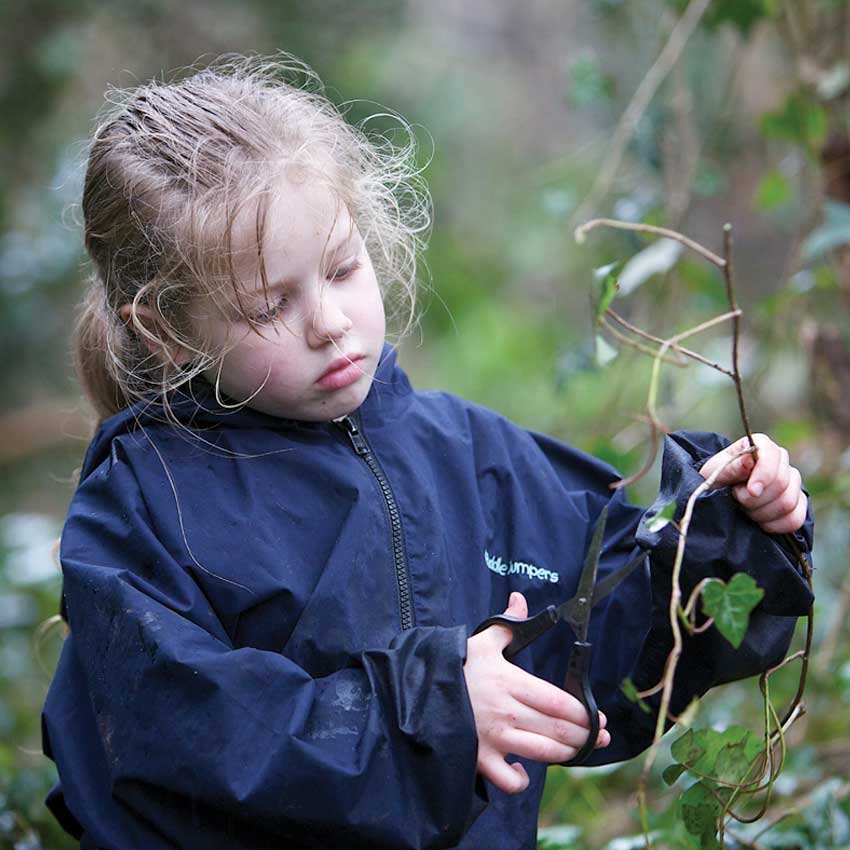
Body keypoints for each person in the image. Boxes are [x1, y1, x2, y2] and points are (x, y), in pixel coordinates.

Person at [42, 56, 813, 850]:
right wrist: (435, 712)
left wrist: (725, 530)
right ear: (167, 330)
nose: (329, 323)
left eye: (342, 268)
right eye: (270, 305)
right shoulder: (145, 503)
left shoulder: (474, 457)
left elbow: (611, 647)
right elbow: (188, 741)